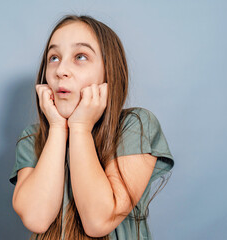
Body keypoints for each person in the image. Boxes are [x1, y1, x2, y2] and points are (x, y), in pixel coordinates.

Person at [9, 14, 174, 240]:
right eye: (54, 58)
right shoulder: (32, 138)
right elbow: (37, 218)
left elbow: (98, 221)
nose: (60, 71)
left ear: (109, 72)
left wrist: (80, 128)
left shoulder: (135, 125)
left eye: (80, 56)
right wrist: (58, 128)